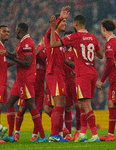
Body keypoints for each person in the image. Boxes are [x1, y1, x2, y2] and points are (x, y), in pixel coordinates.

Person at [50, 14, 103, 142]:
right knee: (83, 104)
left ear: (76, 24)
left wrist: (52, 29)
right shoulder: (93, 37)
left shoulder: (74, 37)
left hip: (82, 73)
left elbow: (53, 44)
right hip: (92, 72)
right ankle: (83, 133)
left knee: (85, 104)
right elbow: (100, 55)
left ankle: (95, 135)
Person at [2, 23, 48, 142]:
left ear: (19, 30)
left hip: (26, 79)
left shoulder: (27, 42)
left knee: (32, 106)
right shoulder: (22, 42)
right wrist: (7, 62)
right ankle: (12, 135)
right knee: (10, 103)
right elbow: (18, 57)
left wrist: (10, 57)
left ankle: (42, 136)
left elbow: (27, 62)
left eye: (16, 30)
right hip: (20, 79)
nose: (15, 32)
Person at [44, 6, 70, 142]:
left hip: (59, 74)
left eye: (66, 22)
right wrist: (60, 17)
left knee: (60, 105)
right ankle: (54, 135)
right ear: (56, 24)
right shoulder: (51, 36)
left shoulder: (60, 40)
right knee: (59, 105)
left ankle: (59, 133)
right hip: (54, 73)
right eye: (63, 22)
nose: (65, 24)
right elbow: (49, 32)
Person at [14, 39, 46, 142]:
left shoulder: (46, 55)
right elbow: (33, 56)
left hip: (40, 88)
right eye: (42, 41)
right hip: (28, 86)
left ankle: (34, 135)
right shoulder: (32, 53)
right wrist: (41, 47)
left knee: (39, 111)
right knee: (22, 109)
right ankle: (16, 133)